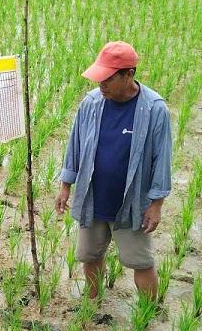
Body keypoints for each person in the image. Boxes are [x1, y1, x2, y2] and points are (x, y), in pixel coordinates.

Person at [55, 41, 172, 302]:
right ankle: (92, 300)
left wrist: (156, 205)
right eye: (100, 78)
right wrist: (65, 186)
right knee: (90, 255)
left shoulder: (154, 109)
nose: (101, 84)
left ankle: (148, 311)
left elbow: (162, 159)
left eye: (108, 78)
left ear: (128, 74)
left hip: (131, 202)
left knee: (141, 261)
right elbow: (75, 145)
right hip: (93, 197)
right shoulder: (91, 103)